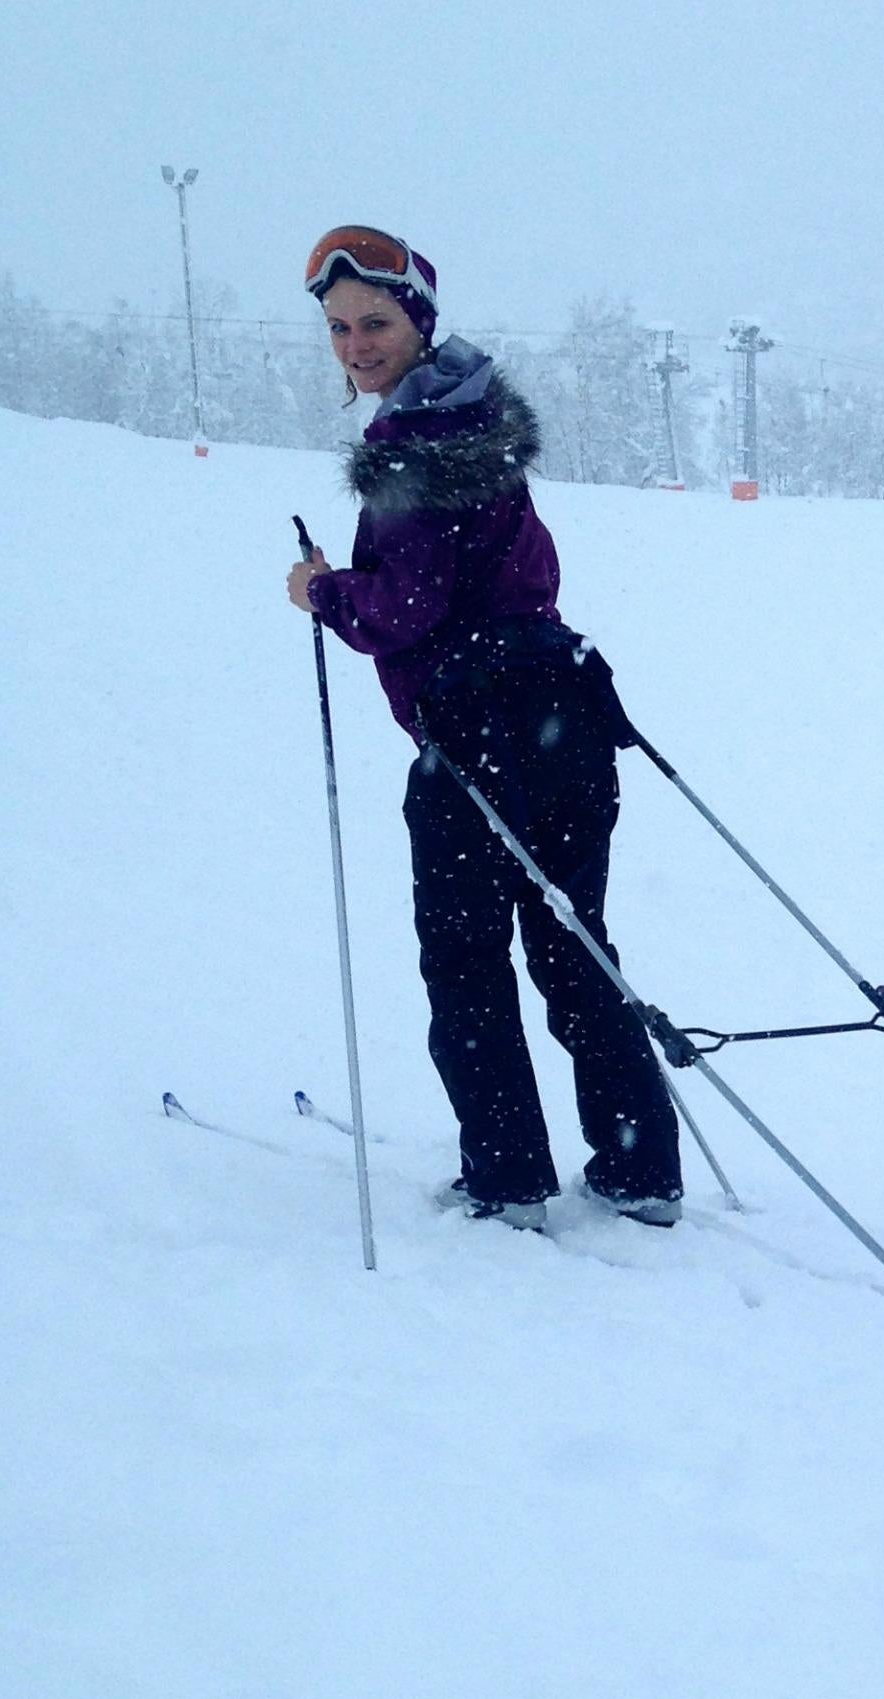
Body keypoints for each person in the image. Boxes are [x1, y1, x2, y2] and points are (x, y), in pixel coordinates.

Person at [284, 226, 683, 1233]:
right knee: (573, 944)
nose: (356, 345)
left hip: (474, 744)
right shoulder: (481, 424)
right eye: (338, 328)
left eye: (374, 323)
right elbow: (517, 581)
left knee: (466, 959)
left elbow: (402, 611)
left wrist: (324, 590)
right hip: (565, 722)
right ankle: (639, 1169)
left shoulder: (410, 448)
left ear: (418, 319)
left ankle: (507, 1176)